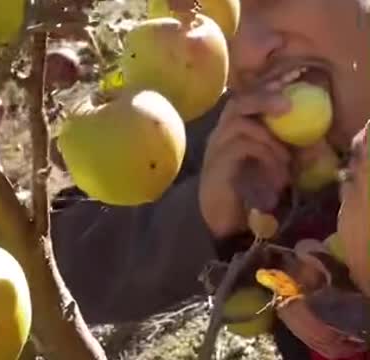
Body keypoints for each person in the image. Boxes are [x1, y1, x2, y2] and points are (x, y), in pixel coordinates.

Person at [49, 1, 370, 359]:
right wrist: (199, 213)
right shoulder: (225, 122)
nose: (246, 57)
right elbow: (59, 265)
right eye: (207, 18)